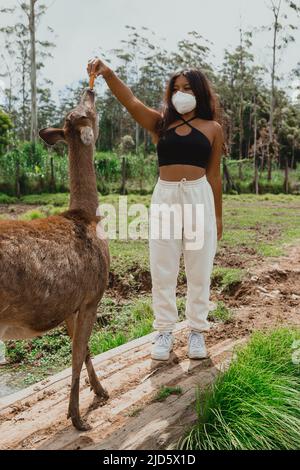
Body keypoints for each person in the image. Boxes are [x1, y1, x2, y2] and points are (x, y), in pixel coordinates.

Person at [87, 58, 224, 361]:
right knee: (163, 268)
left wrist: (217, 215)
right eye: (176, 89)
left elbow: (214, 176)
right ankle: (164, 331)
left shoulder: (213, 129)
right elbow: (131, 101)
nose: (181, 93)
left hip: (198, 195)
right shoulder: (161, 123)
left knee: (199, 268)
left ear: (200, 92)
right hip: (165, 197)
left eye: (187, 88)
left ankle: (197, 332)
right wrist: (108, 73)